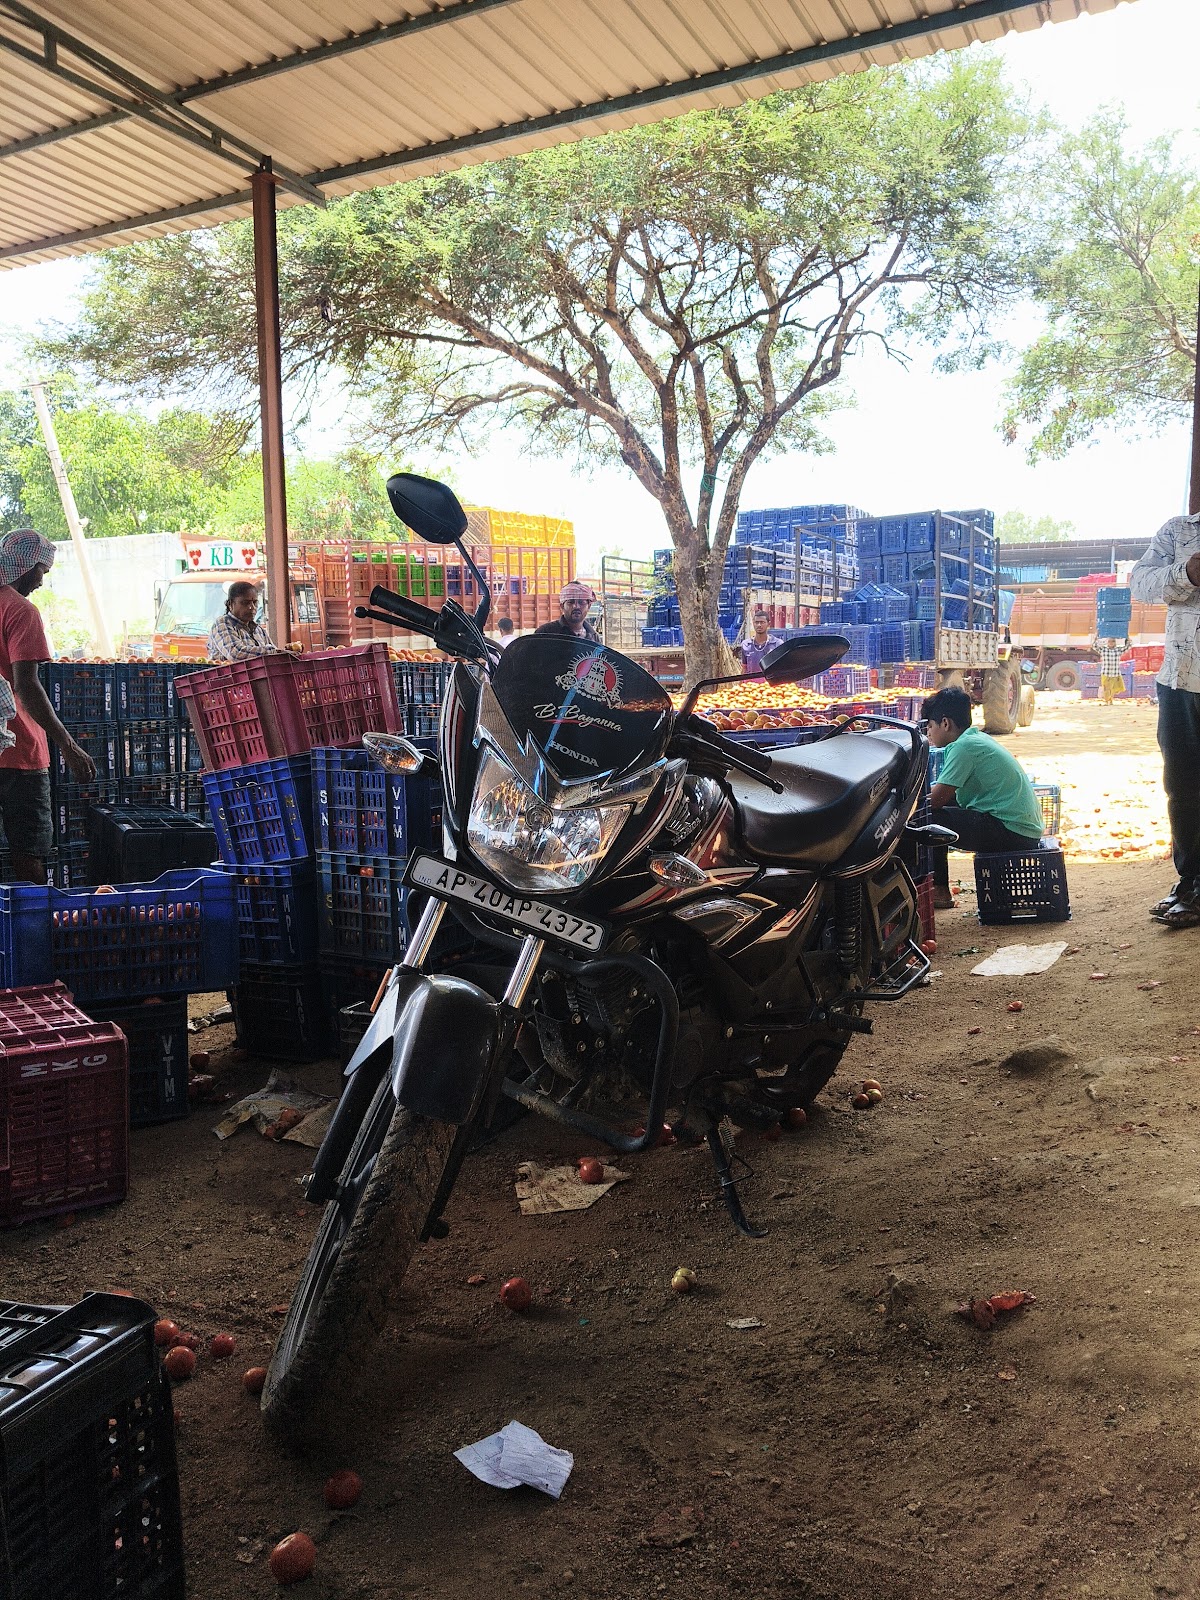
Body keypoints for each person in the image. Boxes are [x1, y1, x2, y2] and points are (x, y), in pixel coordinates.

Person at [0, 529, 97, 885]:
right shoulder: (20, 610)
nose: (42, 581)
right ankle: (34, 931)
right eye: (42, 570)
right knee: (29, 852)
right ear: (25, 566)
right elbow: (27, 687)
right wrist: (69, 747)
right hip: (19, 752)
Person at [1130, 509, 1200, 927]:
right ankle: (1190, 881)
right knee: (1183, 786)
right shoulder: (1180, 530)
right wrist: (1186, 572)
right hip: (1181, 678)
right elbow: (1141, 582)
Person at [923, 684, 1043, 912]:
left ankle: (939, 890)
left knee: (929, 820)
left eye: (930, 726)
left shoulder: (963, 748)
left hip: (1011, 831)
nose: (928, 733)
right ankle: (938, 889)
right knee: (936, 811)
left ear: (945, 723)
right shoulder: (975, 740)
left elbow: (936, 801)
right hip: (1021, 828)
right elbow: (948, 795)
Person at [207, 581, 274, 661]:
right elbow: (236, 654)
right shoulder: (222, 624)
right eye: (245, 603)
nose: (252, 607)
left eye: (255, 602)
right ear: (230, 604)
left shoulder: (259, 630)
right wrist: (271, 651)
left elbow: (276, 655)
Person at [534, 582, 601, 642]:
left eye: (581, 602)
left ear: (589, 606)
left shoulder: (594, 637)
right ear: (562, 606)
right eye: (570, 602)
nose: (576, 606)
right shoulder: (545, 633)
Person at [741, 608, 772, 674]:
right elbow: (744, 668)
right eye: (756, 622)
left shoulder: (777, 644)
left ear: (768, 624)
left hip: (770, 683)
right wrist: (740, 683)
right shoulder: (746, 645)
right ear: (753, 623)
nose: (759, 625)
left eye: (762, 622)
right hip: (751, 684)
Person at [1098, 636, 1127, 705]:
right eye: (1109, 641)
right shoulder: (1103, 650)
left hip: (1115, 672)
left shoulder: (1118, 650)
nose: (1111, 643)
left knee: (1113, 688)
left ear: (1115, 643)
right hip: (1106, 672)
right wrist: (1097, 636)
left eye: (1113, 641)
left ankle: (1111, 700)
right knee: (1106, 688)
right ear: (1107, 642)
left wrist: (1127, 637)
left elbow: (1128, 646)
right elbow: (1094, 645)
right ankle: (1106, 701)